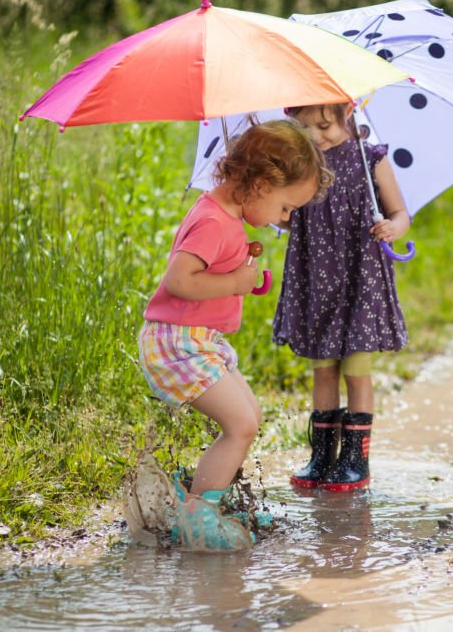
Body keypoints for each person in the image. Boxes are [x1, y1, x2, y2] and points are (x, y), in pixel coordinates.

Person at [138, 120, 333, 545]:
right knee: (241, 424)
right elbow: (179, 280)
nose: (284, 220)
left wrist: (245, 279)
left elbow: (212, 275)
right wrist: (233, 284)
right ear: (261, 183)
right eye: (285, 208)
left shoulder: (226, 219)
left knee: (251, 417)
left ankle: (204, 495)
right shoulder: (214, 222)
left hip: (201, 339)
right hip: (177, 342)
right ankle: (198, 515)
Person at [273, 103, 410, 492]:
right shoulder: (300, 165)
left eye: (324, 125)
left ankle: (355, 460)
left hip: (359, 279)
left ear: (348, 111)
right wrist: (276, 206)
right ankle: (322, 456)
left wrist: (392, 227)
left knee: (356, 369)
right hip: (316, 277)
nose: (316, 135)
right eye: (304, 127)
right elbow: (284, 216)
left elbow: (401, 212)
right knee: (323, 368)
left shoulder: (372, 160)